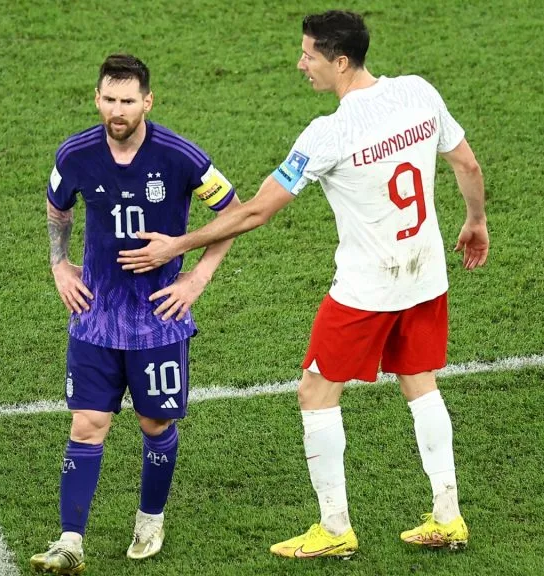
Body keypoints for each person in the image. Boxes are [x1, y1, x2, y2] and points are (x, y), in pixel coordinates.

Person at [118, 10, 488, 559]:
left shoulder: (330, 132)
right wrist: (475, 221)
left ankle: (335, 528)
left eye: (308, 55)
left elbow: (256, 212)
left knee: (315, 391)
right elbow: (467, 164)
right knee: (419, 380)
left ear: (339, 61)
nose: (300, 64)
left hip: (366, 288)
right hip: (425, 273)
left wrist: (176, 245)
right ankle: (448, 515)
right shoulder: (418, 93)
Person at [30, 53, 240, 574]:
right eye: (109, 99)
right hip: (96, 316)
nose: (117, 110)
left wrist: (195, 276)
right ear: (97, 98)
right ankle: (69, 540)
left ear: (147, 101)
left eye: (128, 100)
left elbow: (234, 213)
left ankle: (150, 517)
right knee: (87, 424)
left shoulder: (180, 156)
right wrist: (59, 265)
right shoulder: (76, 154)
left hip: (159, 318)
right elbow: (58, 207)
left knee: (155, 421)